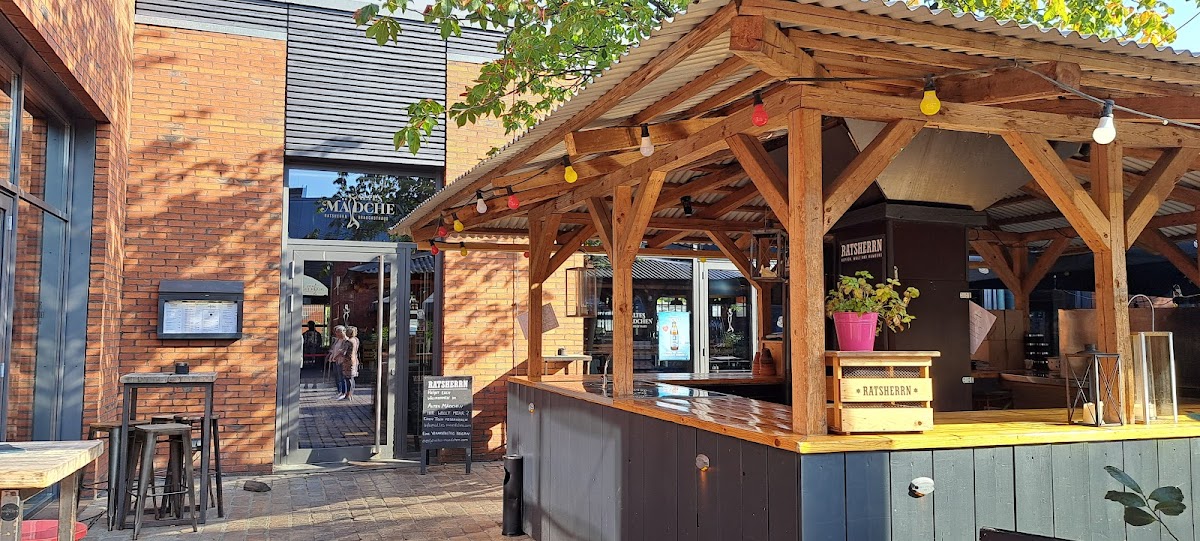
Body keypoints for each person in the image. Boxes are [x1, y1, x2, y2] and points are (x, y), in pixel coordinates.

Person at [327, 325, 350, 400]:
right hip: (334, 360)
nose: (337, 333)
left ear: (343, 332)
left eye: (338, 332)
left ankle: (343, 392)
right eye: (336, 332)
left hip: (341, 361)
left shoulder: (346, 340)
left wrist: (337, 356)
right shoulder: (336, 340)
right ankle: (339, 391)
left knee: (341, 377)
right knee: (336, 377)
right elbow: (333, 348)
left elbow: (344, 351)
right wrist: (330, 355)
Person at [341, 326, 361, 401]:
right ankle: (351, 393)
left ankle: (348, 394)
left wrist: (341, 351)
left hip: (348, 361)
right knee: (352, 378)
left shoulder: (348, 341)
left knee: (348, 378)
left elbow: (344, 352)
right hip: (355, 359)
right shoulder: (356, 340)